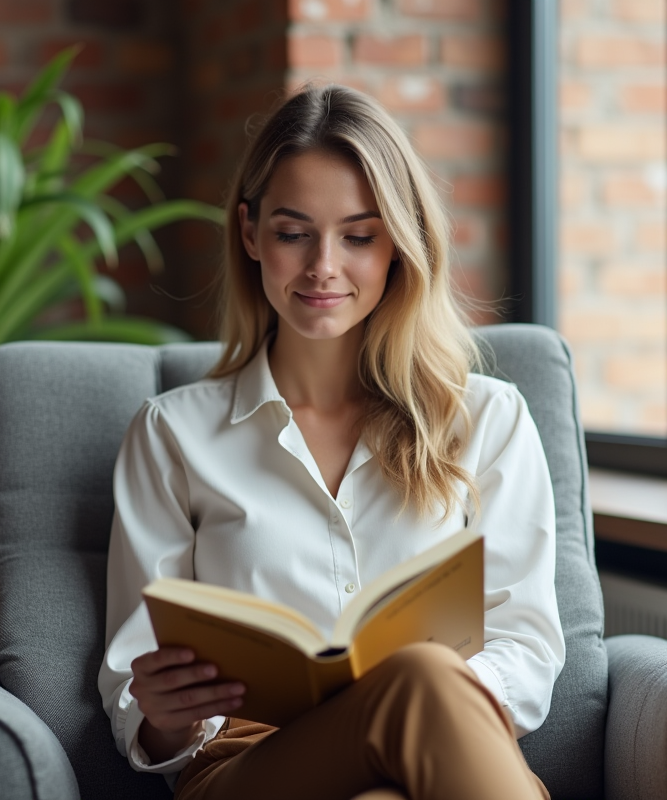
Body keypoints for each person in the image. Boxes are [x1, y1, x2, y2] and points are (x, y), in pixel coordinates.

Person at [98, 84, 563, 800]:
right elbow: (136, 690)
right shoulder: (172, 435)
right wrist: (161, 716)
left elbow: (526, 647)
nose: (323, 266)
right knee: (421, 674)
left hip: (428, 754)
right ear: (250, 233)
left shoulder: (488, 419)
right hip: (242, 770)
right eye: (293, 233)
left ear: (399, 244)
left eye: (358, 235)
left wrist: (412, 705)